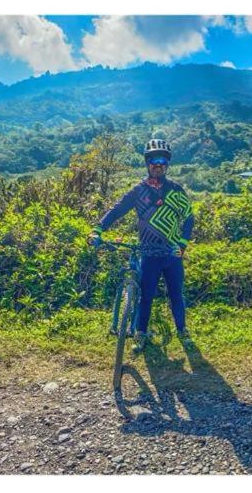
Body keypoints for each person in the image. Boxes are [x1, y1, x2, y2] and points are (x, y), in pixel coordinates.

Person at [88, 139, 194, 351]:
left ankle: (183, 331)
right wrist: (98, 229)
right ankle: (141, 334)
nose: (158, 164)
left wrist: (182, 244)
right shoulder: (138, 191)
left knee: (176, 295)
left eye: (163, 160)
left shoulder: (176, 190)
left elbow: (189, 218)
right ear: (147, 163)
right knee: (146, 297)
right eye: (154, 160)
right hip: (148, 254)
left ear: (167, 164)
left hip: (172, 254)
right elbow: (117, 211)